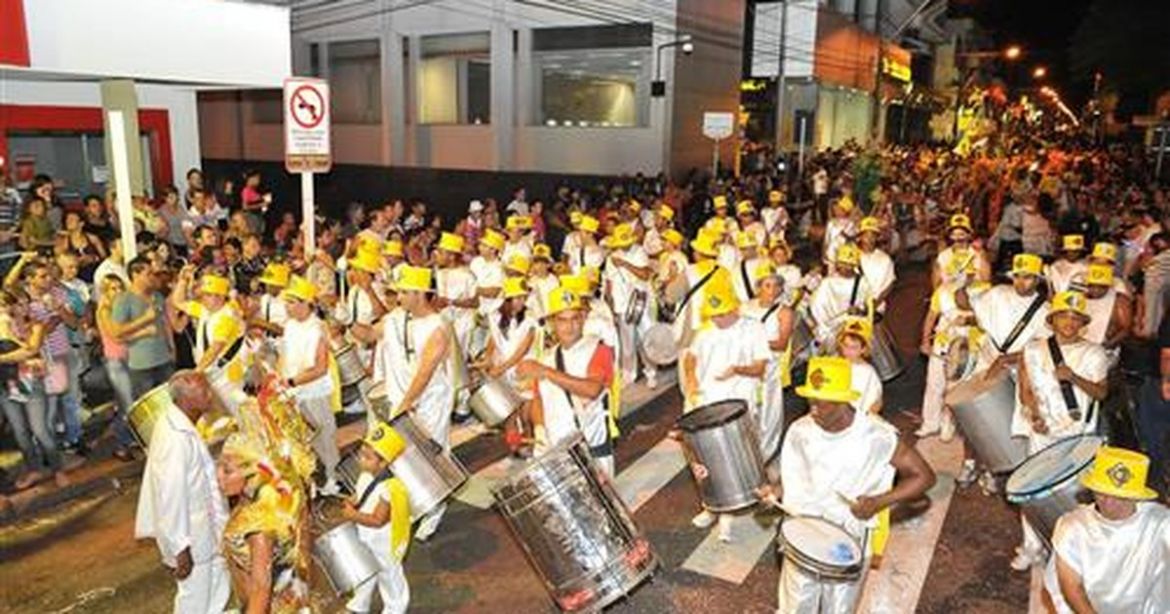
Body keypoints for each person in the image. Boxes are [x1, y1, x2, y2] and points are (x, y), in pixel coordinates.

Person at [760, 355, 936, 613]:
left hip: (848, 538)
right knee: (795, 607)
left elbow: (924, 476)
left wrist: (878, 502)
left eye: (821, 402)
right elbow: (793, 478)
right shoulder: (800, 430)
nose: (813, 409)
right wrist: (774, 491)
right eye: (810, 400)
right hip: (804, 531)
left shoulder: (876, 435)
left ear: (844, 400)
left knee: (839, 609)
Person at [1013, 290, 1109, 570]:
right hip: (1042, 434)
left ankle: (1073, 554)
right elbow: (1025, 386)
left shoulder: (1094, 352)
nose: (1069, 322)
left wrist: (1074, 377)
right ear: (1052, 320)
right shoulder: (1033, 349)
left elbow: (1102, 393)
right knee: (1032, 491)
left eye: (1075, 318)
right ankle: (1031, 546)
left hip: (1078, 438)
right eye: (1063, 316)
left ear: (1083, 323)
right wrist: (1033, 414)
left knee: (1076, 498)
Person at [681, 276, 769, 542]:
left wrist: (737, 370)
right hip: (703, 402)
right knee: (702, 462)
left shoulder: (753, 329)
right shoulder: (705, 331)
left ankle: (727, 518)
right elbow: (690, 358)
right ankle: (709, 506)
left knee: (730, 462)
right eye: (714, 314)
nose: (717, 319)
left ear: (734, 308)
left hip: (735, 405)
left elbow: (760, 367)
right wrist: (692, 382)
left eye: (721, 314)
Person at [135, 370, 231, 614]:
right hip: (193, 536)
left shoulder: (180, 423)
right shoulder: (175, 438)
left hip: (208, 529)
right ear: (187, 399)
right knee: (194, 599)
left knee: (219, 581)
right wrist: (181, 549)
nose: (211, 395)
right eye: (204, 390)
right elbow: (170, 498)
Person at [373, 265, 458, 541]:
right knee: (405, 457)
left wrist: (405, 405)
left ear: (421, 294)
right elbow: (369, 335)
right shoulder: (396, 317)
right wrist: (345, 321)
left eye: (404, 292)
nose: (398, 297)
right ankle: (416, 504)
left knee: (431, 453)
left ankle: (435, 508)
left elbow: (426, 371)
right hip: (402, 401)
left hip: (430, 402)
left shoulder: (438, 327)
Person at [1043, 446, 1170, 613]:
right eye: (1102, 494)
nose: (1109, 503)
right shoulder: (1072, 527)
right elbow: (1071, 587)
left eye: (1120, 497)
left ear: (1136, 496)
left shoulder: (1159, 523)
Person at [520, 287, 616, 476]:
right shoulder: (547, 356)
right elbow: (539, 399)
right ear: (552, 323)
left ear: (583, 319)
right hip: (556, 453)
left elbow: (592, 390)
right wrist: (539, 429)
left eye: (575, 318)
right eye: (562, 320)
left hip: (591, 452)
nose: (569, 326)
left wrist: (546, 372)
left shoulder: (598, 349)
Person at [279, 276, 342, 496]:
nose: (288, 307)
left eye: (293, 302)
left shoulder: (317, 328)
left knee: (324, 435)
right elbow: (285, 356)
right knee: (304, 439)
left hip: (314, 392)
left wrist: (291, 382)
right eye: (287, 302)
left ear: (308, 304)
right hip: (293, 392)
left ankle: (334, 477)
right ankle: (313, 478)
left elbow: (319, 368)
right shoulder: (289, 326)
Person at [0, 290, 69, 489]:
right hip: (5, 384)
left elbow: (29, 350)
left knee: (40, 429)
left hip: (30, 381)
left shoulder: (35, 326)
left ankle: (58, 469)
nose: (16, 309)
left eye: (23, 304)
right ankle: (34, 469)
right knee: (19, 431)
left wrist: (7, 340)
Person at [343, 422, 412, 614]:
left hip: (384, 541)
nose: (360, 460)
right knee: (365, 568)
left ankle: (395, 607)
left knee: (389, 574)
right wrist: (351, 501)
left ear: (383, 463)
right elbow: (360, 495)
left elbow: (378, 520)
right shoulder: (366, 475)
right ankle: (359, 604)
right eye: (361, 455)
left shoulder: (390, 488)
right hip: (366, 536)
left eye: (367, 458)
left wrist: (352, 514)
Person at [739, 262, 793, 461]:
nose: (773, 290)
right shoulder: (744, 308)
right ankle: (748, 452)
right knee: (748, 409)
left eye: (776, 285)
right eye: (767, 285)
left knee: (769, 414)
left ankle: (766, 454)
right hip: (747, 367)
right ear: (758, 287)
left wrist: (753, 342)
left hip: (770, 369)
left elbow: (781, 343)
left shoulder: (784, 312)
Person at [96, 276, 147, 460]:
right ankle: (121, 444)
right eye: (112, 288)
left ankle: (131, 439)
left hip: (132, 360)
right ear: (105, 292)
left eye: (119, 287)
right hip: (116, 363)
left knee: (133, 403)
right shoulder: (104, 310)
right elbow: (116, 336)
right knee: (128, 406)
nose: (117, 291)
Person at [603, 223, 656, 388]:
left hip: (641, 303)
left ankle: (651, 372)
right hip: (622, 305)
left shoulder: (639, 252)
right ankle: (629, 374)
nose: (624, 246)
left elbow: (645, 274)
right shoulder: (611, 258)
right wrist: (611, 307)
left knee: (645, 339)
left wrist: (625, 264)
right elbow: (609, 284)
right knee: (627, 343)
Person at [114, 256, 176, 397]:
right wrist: (144, 320)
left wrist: (172, 348)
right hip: (141, 365)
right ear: (135, 275)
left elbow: (165, 324)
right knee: (147, 408)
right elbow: (117, 332)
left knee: (172, 401)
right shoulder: (124, 300)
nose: (152, 277)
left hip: (164, 360)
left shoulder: (157, 296)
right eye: (148, 274)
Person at [477, 277, 537, 396]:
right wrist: (487, 358)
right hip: (503, 365)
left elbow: (522, 350)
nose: (522, 302)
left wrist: (502, 368)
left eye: (524, 298)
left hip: (521, 368)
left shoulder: (530, 318)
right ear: (508, 299)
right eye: (518, 298)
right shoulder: (495, 315)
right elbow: (494, 338)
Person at [808, 243, 873, 347]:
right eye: (842, 263)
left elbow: (867, 309)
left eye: (849, 264)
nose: (845, 267)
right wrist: (823, 326)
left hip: (850, 330)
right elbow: (816, 307)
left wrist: (858, 311)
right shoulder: (828, 283)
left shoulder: (862, 283)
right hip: (827, 332)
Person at [836, 316, 883, 415]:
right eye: (846, 345)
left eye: (854, 348)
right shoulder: (836, 366)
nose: (848, 351)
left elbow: (877, 402)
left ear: (863, 349)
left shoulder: (868, 372)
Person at [856, 217, 896, 313]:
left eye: (872, 236)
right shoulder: (852, 256)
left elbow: (889, 285)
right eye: (866, 235)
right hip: (853, 307)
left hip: (876, 308)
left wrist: (875, 304)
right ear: (860, 237)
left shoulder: (885, 259)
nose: (869, 239)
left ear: (877, 238)